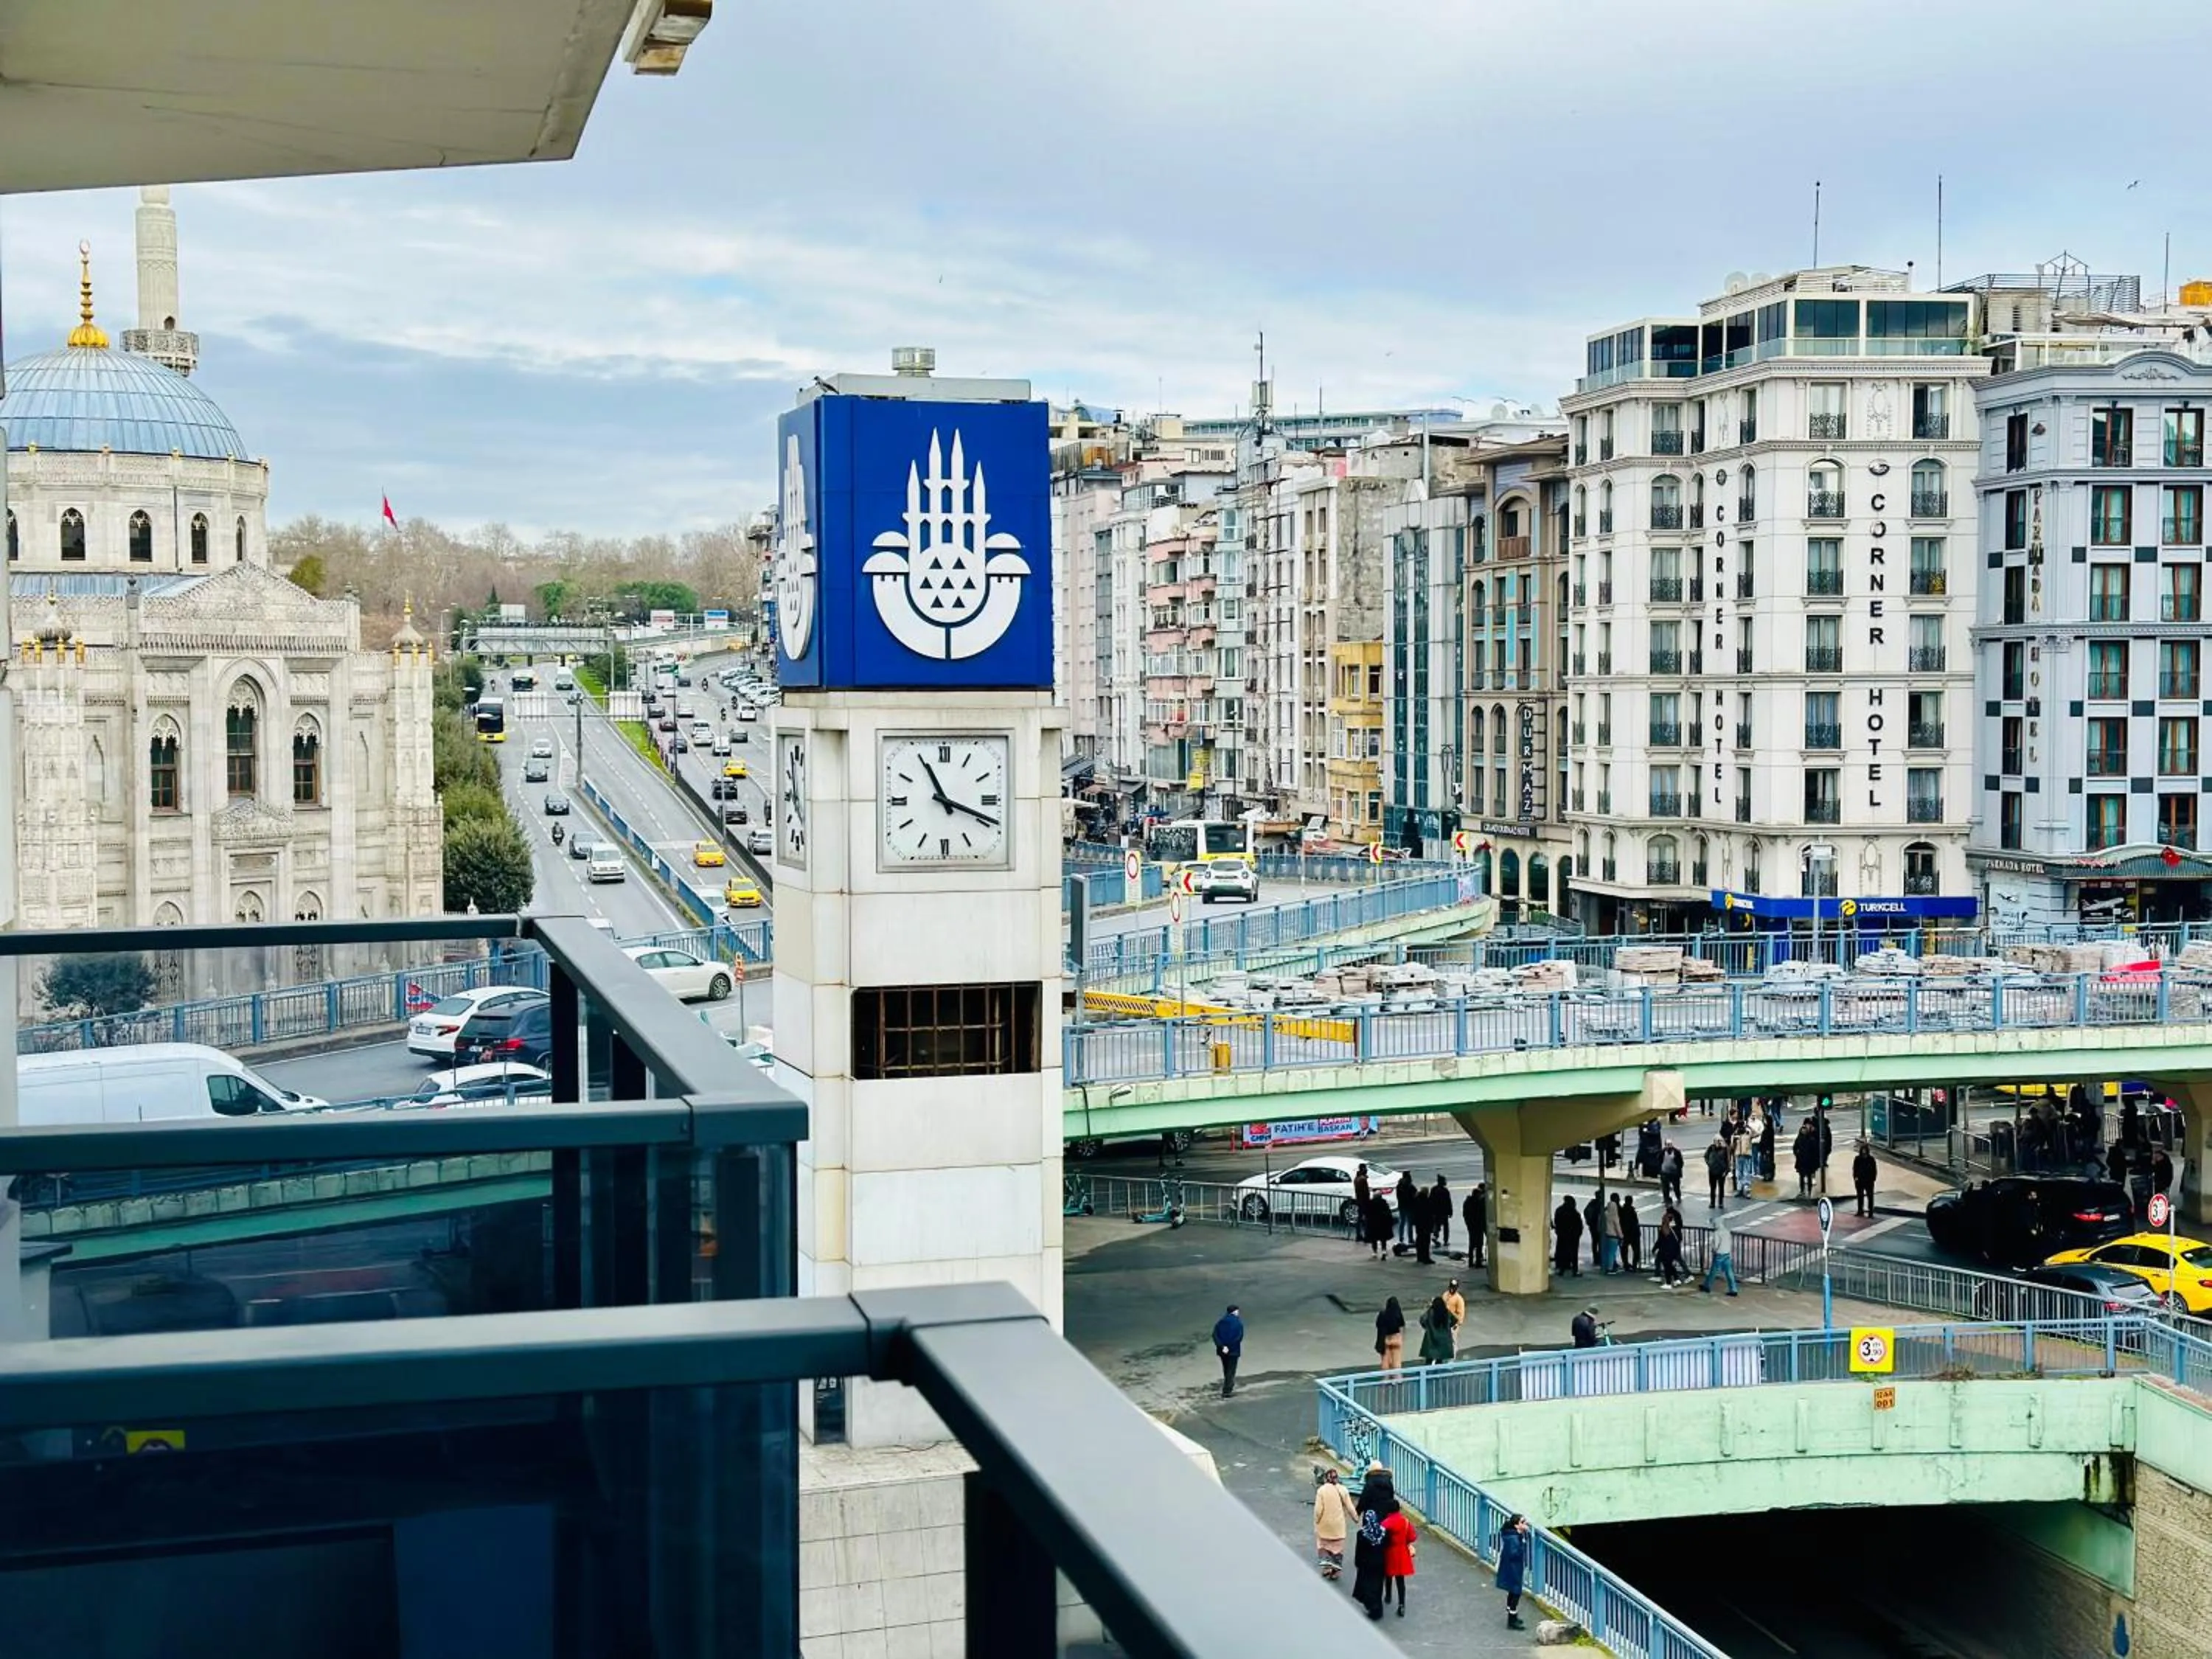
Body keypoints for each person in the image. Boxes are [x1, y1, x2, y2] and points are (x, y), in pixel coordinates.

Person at [1351, 1467, 1396, 1621]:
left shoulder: (1363, 1534)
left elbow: (1363, 1501)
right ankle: (1378, 1607)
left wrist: (1357, 1512)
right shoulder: (1389, 1485)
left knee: (1367, 1584)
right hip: (1380, 1561)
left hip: (1367, 1563)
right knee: (1377, 1584)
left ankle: (1372, 1606)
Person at [1312, 1468, 1357, 1580]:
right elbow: (1350, 1507)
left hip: (1324, 1525)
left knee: (1324, 1545)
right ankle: (1336, 1570)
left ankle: (1327, 1567)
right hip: (1338, 1525)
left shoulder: (1321, 1491)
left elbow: (1318, 1510)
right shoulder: (1343, 1490)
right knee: (1337, 1548)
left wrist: (1317, 1521)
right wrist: (1356, 1518)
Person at [1380, 1502, 1418, 1618]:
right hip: (1402, 1553)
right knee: (1400, 1580)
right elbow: (1412, 1537)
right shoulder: (1405, 1521)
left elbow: (1380, 1538)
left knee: (1388, 1575)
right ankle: (1402, 1604)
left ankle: (1388, 1595)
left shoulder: (1385, 1523)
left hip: (1389, 1552)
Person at [1495, 1513, 1531, 1630]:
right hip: (1513, 1568)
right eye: (1523, 1522)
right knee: (1516, 1592)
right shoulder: (1514, 1539)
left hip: (1511, 1567)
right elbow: (1514, 1553)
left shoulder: (1512, 1536)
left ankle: (1513, 1616)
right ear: (1517, 1525)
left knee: (1513, 1591)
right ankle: (1512, 1620)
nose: (1526, 1524)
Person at [1702, 1214, 1739, 1295]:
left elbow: (1716, 1245)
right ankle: (1733, 1289)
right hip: (1727, 1254)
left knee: (1713, 1272)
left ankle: (1707, 1287)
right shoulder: (1727, 1231)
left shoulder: (1717, 1233)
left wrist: (1714, 1250)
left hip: (1719, 1255)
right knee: (1729, 1273)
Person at [1211, 1304, 1244, 1398]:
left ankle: (1229, 1385)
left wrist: (1222, 1346)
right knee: (1231, 1370)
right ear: (1235, 1311)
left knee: (1226, 1368)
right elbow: (1238, 1337)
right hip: (1233, 1350)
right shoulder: (1238, 1323)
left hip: (1222, 1350)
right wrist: (1229, 1347)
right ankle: (1227, 1391)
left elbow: (1215, 1335)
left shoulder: (1221, 1322)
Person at [1417, 1294, 1455, 1366]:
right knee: (1440, 1361)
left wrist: (1427, 1327)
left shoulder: (1430, 1312)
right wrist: (1448, 1327)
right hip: (1443, 1340)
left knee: (1428, 1361)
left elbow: (1422, 1320)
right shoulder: (1446, 1312)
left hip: (1431, 1340)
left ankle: (1427, 1376)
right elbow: (1455, 1320)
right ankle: (1438, 1375)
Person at [1552, 1193, 1583, 1277]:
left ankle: (1561, 1269)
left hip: (1562, 1235)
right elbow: (1579, 1225)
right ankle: (1575, 1270)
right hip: (1573, 1236)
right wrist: (1578, 1234)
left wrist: (1559, 1231)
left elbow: (1557, 1222)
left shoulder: (1559, 1210)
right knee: (1574, 1253)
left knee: (1562, 1252)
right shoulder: (1574, 1212)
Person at [1654, 1211, 1686, 1289]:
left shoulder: (1665, 1228)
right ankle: (1676, 1279)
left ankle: (1668, 1283)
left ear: (1667, 1219)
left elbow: (1661, 1240)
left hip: (1668, 1250)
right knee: (1670, 1265)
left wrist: (1656, 1248)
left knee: (1667, 1266)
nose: (1663, 1217)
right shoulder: (1672, 1228)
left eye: (1665, 1217)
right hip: (1673, 1249)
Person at [1374, 1295, 1406, 1371]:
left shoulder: (1382, 1314)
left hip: (1385, 1339)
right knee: (1397, 1361)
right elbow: (1402, 1325)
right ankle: (1397, 1380)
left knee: (1385, 1362)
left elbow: (1378, 1325)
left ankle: (1386, 1380)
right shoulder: (1398, 1314)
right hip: (1396, 1339)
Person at [1597, 1190, 1623, 1274]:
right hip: (1613, 1236)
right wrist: (1621, 1236)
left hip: (1605, 1235)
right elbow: (1617, 1227)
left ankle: (1605, 1267)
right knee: (1612, 1253)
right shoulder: (1614, 1216)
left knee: (1606, 1252)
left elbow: (1600, 1223)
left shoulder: (1604, 1214)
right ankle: (1610, 1268)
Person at [1793, 1121, 1820, 1198]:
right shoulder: (1800, 1138)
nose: (1804, 1130)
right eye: (1803, 1129)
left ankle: (1809, 1192)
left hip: (1809, 1161)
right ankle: (1802, 1191)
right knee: (1801, 1177)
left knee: (1808, 1177)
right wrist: (1797, 1153)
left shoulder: (1811, 1139)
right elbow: (1795, 1147)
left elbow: (1815, 1150)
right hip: (1801, 1161)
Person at [1851, 1141, 1879, 1218]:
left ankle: (1870, 1212)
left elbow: (1874, 1170)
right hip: (1860, 1181)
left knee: (1870, 1197)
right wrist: (1855, 1178)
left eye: (1865, 1150)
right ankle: (1860, 1210)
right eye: (1863, 1150)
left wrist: (1873, 1179)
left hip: (1869, 1181)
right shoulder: (1857, 1159)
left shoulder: (1871, 1159)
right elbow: (1855, 1169)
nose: (1864, 1152)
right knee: (1860, 1196)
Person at [1464, 1181, 1488, 1269]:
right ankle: (1478, 1262)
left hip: (1471, 1226)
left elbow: (1465, 1214)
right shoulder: (1477, 1203)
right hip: (1478, 1226)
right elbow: (1481, 1215)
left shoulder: (1468, 1202)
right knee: (1479, 1244)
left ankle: (1471, 1262)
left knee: (1472, 1244)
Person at [1618, 1193, 1643, 1275]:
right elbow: (1635, 1222)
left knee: (1624, 1250)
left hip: (1625, 1233)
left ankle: (1626, 1265)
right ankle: (1634, 1266)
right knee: (1636, 1250)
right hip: (1633, 1233)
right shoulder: (1631, 1210)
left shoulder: (1622, 1210)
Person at [1364, 1192, 1394, 1259]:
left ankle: (1375, 1252)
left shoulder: (1370, 1203)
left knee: (1374, 1239)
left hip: (1373, 1224)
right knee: (1383, 1239)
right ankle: (1384, 1251)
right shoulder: (1384, 1203)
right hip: (1382, 1224)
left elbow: (1367, 1214)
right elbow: (1388, 1213)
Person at [1731, 1116, 1756, 1197]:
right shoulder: (1736, 1135)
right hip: (1739, 1155)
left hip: (1746, 1155)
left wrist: (1749, 1127)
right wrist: (1734, 1135)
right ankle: (1740, 1189)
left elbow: (1757, 1133)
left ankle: (1746, 1189)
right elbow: (1732, 1145)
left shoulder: (1748, 1134)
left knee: (1746, 1173)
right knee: (1740, 1173)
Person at [1704, 1133, 1729, 1210]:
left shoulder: (1725, 1149)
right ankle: (1712, 1203)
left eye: (1719, 1141)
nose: (1718, 1142)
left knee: (1721, 1188)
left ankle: (1721, 1203)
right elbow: (1706, 1156)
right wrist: (1709, 1164)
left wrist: (1726, 1170)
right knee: (1712, 1188)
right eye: (1717, 1141)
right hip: (1712, 1171)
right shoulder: (1711, 1148)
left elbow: (1727, 1160)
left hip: (1721, 1172)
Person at [1429, 1174, 1453, 1253]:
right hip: (1444, 1212)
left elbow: (1431, 1201)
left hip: (1436, 1212)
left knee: (1437, 1225)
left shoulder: (1434, 1190)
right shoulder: (1445, 1191)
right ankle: (1445, 1240)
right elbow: (1448, 1202)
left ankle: (1435, 1236)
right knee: (1446, 1226)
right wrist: (1450, 1211)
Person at [1395, 1171, 1419, 1247]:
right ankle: (1410, 1238)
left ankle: (1401, 1237)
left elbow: (1398, 1196)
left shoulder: (1399, 1185)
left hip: (1401, 1205)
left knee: (1402, 1222)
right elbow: (1415, 1195)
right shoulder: (1410, 1186)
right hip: (1409, 1207)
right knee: (1409, 1223)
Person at [1583, 1191, 1605, 1270]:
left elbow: (1585, 1212)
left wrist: (1588, 1222)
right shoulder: (1599, 1205)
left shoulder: (1592, 1203)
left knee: (1595, 1242)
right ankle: (1598, 1258)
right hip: (1598, 1227)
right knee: (1600, 1242)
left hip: (1593, 1226)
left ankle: (1596, 1258)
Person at [1441, 1277, 1467, 1345]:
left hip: (1453, 1324)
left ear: (1457, 1288)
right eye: (1451, 1287)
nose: (1452, 1289)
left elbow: (1461, 1314)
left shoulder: (1459, 1299)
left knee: (1452, 1342)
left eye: (1454, 1288)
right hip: (1444, 1323)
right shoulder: (1445, 1295)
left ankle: (1454, 1354)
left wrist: (1457, 1324)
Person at [1659, 1141, 1684, 1209]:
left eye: (1670, 1144)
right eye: (1668, 1145)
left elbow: (1681, 1162)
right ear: (1665, 1145)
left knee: (1676, 1187)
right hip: (1665, 1173)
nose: (1669, 1146)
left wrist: (1678, 1170)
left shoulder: (1677, 1152)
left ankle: (1678, 1197)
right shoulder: (1662, 1152)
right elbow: (1659, 1160)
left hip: (1674, 1174)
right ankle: (1666, 1199)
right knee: (1665, 1188)